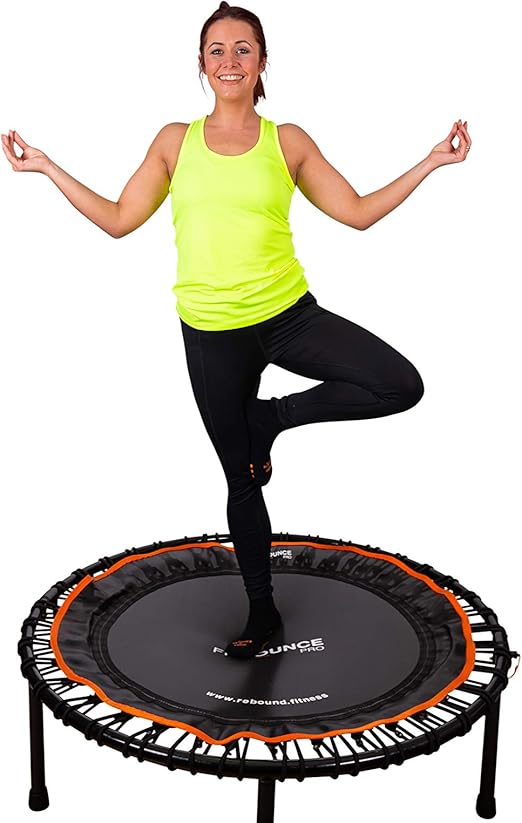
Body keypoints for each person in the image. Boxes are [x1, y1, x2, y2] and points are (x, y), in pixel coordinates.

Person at [1, 2, 471, 661]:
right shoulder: (175, 141)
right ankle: (263, 612)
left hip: (288, 316)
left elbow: (358, 212)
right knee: (241, 481)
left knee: (400, 384)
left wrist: (431, 161)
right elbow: (118, 219)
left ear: (263, 62)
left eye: (243, 49)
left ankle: (270, 418)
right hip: (211, 334)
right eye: (217, 50)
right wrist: (48, 168)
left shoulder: (288, 141)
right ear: (201, 64)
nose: (230, 61)